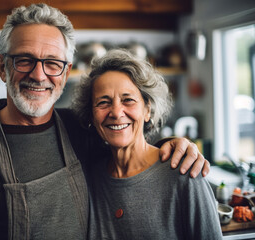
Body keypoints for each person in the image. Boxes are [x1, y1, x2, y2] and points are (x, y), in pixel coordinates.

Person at [0, 4, 210, 240]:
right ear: (3, 66)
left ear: (65, 73)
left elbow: (130, 149)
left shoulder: (81, 129)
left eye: (52, 63)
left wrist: (173, 145)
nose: (39, 75)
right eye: (25, 60)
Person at [72, 49, 222, 239]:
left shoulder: (184, 174)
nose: (116, 112)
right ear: (92, 116)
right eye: (103, 102)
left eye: (128, 100)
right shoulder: (88, 178)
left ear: (147, 110)